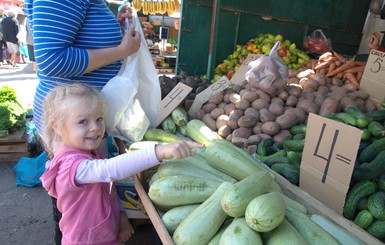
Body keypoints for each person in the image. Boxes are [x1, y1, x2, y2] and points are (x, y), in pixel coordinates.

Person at [23, 1, 141, 244]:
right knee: (80, 211)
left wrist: (112, 25)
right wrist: (121, 50)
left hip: (78, 121)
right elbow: (52, 59)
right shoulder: (74, 156)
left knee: (92, 194)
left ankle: (107, 225)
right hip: (73, 121)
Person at [40, 83, 203, 245]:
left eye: (99, 119)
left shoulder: (86, 153)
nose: (95, 128)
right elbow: (109, 170)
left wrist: (121, 215)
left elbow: (107, 190)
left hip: (105, 236)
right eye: (83, 121)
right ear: (57, 126)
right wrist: (158, 151)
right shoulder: (69, 166)